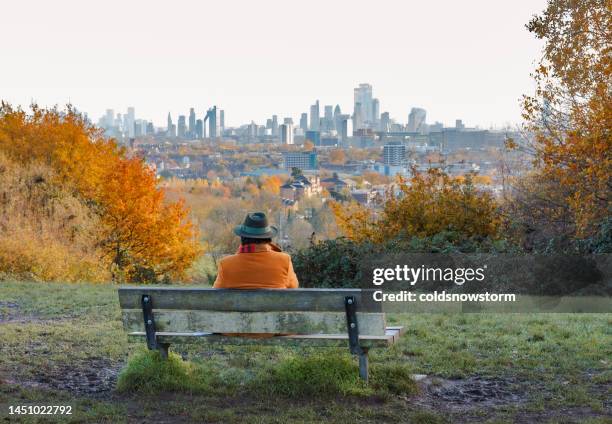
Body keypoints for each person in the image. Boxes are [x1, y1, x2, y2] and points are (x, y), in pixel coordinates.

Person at [213, 212, 299, 289]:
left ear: (242, 237)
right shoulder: (284, 261)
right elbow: (293, 286)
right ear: (268, 237)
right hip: (273, 307)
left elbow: (215, 295)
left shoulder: (226, 265)